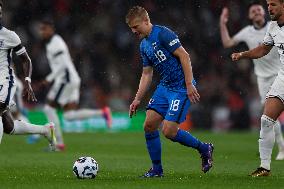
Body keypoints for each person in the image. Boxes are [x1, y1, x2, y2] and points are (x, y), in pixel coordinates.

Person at [126, 6, 214, 177]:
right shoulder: (144, 45)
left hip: (181, 88)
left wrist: (189, 84)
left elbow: (184, 56)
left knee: (168, 131)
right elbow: (146, 73)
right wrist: (137, 99)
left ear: (146, 21)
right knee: (149, 126)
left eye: (135, 27)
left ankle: (204, 148)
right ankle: (157, 170)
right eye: (131, 28)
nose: (133, 31)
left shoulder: (163, 34)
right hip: (165, 87)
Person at [220, 1, 284, 160]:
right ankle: (282, 148)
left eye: (258, 9)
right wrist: (222, 24)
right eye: (252, 11)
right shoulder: (247, 32)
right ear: (249, 16)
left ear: (263, 13)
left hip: (279, 73)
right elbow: (228, 43)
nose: (256, 12)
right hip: (262, 78)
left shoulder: (275, 24)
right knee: (269, 115)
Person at [38, 20, 112, 151]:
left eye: (45, 29)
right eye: (42, 29)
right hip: (71, 79)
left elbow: (63, 64)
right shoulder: (53, 43)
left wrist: (48, 79)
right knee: (68, 115)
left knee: (49, 109)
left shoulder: (55, 43)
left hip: (65, 80)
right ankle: (102, 112)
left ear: (51, 29)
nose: (43, 32)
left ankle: (57, 144)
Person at [0, 1, 55, 148]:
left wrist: (27, 80)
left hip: (4, 80)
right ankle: (45, 130)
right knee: (9, 127)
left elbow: (26, 59)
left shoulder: (9, 36)